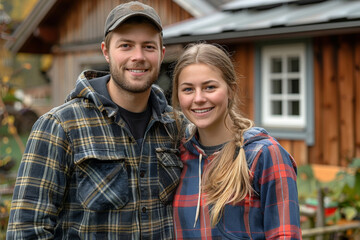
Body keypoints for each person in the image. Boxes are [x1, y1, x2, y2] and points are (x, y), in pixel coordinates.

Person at [7, 1, 185, 239]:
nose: (138, 56)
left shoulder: (176, 126)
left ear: (162, 54)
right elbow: (26, 231)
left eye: (149, 47)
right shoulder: (60, 126)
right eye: (126, 45)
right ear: (105, 52)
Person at [171, 43, 302, 239]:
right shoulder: (178, 155)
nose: (198, 98)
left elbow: (285, 235)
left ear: (231, 90)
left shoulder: (263, 154)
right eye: (188, 89)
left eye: (209, 87)